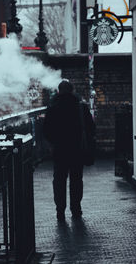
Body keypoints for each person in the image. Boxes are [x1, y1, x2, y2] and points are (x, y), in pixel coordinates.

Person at [43, 80, 95, 221]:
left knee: (59, 181)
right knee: (76, 180)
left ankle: (60, 210)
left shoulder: (53, 107)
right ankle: (76, 209)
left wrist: (53, 143)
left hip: (60, 151)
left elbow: (46, 130)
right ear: (72, 90)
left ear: (59, 91)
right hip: (77, 150)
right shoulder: (81, 107)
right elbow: (91, 128)